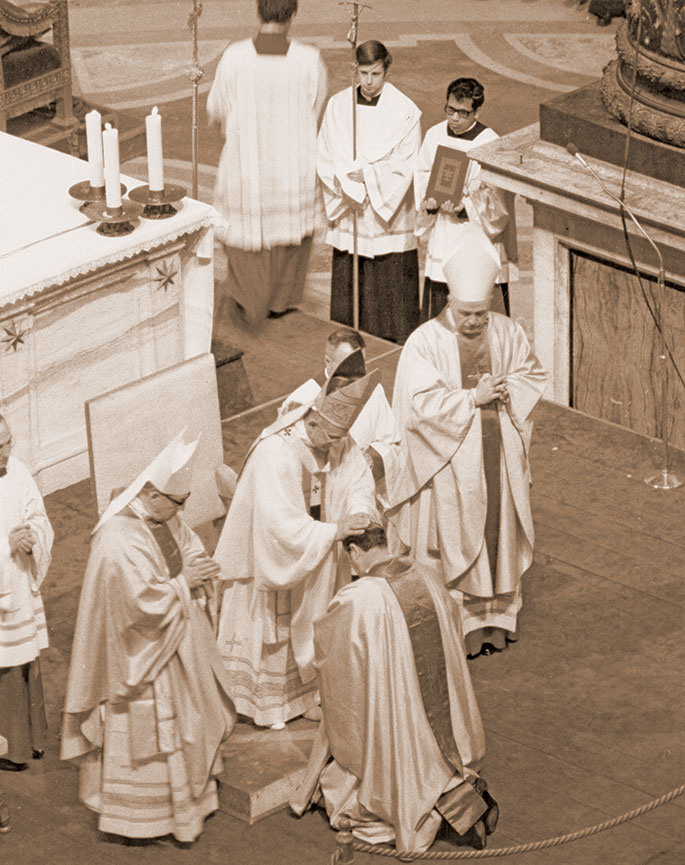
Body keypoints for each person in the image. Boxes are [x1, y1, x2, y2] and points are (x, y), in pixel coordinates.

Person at [61, 434, 236, 843]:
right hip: (140, 660)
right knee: (156, 739)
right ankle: (140, 820)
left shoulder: (162, 516)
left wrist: (196, 564)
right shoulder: (117, 537)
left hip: (175, 646)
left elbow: (183, 544)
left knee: (185, 724)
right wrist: (181, 585)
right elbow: (136, 605)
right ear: (153, 493)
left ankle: (187, 807)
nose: (183, 510)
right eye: (179, 502)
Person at [386, 226, 548, 658]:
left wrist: (508, 388)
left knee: (498, 533)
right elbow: (418, 409)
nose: (475, 322)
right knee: (454, 539)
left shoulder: (507, 333)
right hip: (450, 466)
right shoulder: (424, 343)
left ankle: (493, 624)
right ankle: (455, 628)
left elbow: (531, 374)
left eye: (482, 313)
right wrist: (470, 400)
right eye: (466, 314)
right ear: (449, 302)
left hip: (499, 462)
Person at [290, 526, 499, 853]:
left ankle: (440, 817)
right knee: (436, 764)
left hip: (399, 712)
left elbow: (332, 653)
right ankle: (464, 802)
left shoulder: (358, 598)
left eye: (351, 560)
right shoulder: (426, 575)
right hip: (442, 714)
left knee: (385, 780)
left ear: (356, 552)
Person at [214, 370, 380, 729]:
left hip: (318, 556)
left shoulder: (337, 438)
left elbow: (358, 480)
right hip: (278, 560)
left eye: (341, 436)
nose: (336, 444)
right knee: (278, 629)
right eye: (331, 436)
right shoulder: (276, 451)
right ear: (314, 419)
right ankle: (271, 707)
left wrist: (361, 510)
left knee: (316, 621)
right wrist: (333, 531)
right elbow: (278, 525)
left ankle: (308, 696)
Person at [207, 0, 327, 322]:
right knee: (289, 240)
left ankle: (248, 304)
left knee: (246, 240)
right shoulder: (309, 60)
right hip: (292, 169)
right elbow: (314, 112)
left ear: (258, 11)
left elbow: (217, 110)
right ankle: (281, 304)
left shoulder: (234, 56)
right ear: (293, 14)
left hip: (247, 167)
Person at [317, 40, 421, 343]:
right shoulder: (338, 105)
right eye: (362, 73)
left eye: (375, 74)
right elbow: (325, 152)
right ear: (354, 70)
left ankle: (392, 337)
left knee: (386, 283)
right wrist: (344, 182)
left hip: (385, 212)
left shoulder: (404, 111)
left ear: (386, 69)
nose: (368, 82)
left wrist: (370, 177)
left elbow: (406, 164)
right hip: (349, 207)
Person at [414, 77, 513, 321]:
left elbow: (499, 199)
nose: (454, 118)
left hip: (473, 235)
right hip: (443, 234)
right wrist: (429, 202)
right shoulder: (434, 134)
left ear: (477, 111)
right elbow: (422, 173)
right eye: (450, 110)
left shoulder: (490, 142)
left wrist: (464, 207)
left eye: (463, 113)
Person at [0, 415, 53, 773]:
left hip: (18, 582)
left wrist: (32, 536)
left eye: (8, 441)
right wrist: (6, 546)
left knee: (24, 663)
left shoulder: (17, 471)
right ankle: (10, 748)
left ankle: (32, 740)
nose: (6, 452)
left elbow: (39, 515)